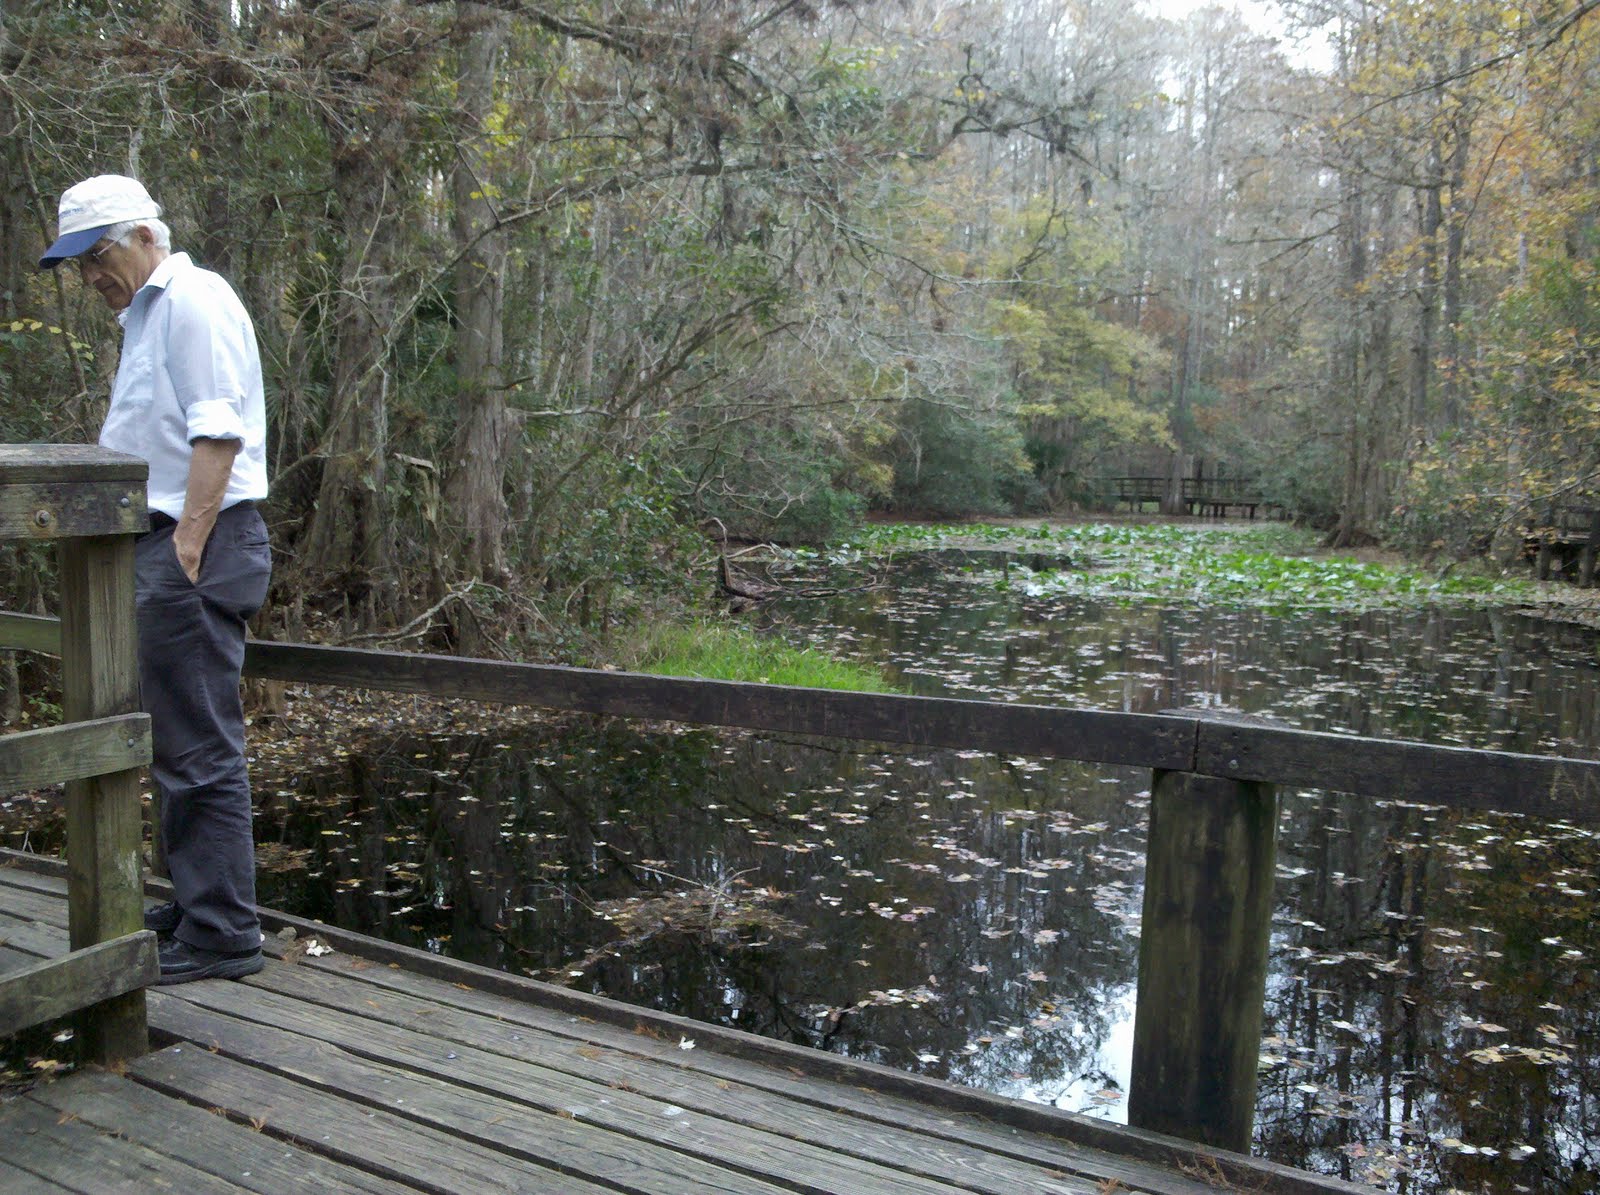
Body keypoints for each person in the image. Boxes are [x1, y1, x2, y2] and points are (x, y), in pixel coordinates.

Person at [39, 175, 272, 984]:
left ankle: (223, 934)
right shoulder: (147, 312)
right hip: (176, 540)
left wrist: (186, 549)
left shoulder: (190, 299)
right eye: (78, 265)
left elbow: (219, 432)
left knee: (201, 746)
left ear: (144, 236)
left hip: (197, 540)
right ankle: (200, 904)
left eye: (97, 255)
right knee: (176, 740)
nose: (90, 275)